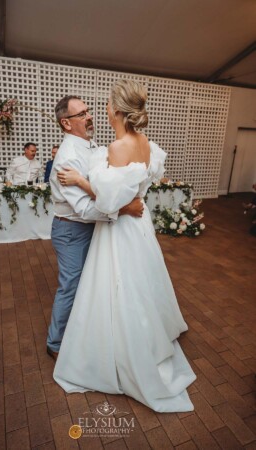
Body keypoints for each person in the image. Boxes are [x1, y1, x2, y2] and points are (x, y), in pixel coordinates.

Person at [54, 80, 196, 413]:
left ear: (116, 110)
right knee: (141, 282)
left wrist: (79, 180)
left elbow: (108, 200)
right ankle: (150, 335)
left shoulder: (118, 149)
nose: (100, 110)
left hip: (121, 227)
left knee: (119, 286)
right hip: (140, 227)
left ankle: (122, 349)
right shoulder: (144, 141)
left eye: (103, 105)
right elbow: (132, 189)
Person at [46, 95, 144, 360]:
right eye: (82, 114)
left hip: (94, 228)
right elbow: (85, 209)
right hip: (72, 231)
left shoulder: (91, 144)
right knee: (72, 285)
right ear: (66, 123)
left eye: (88, 111)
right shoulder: (67, 157)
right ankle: (55, 344)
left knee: (94, 283)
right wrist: (124, 208)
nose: (90, 116)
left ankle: (85, 333)